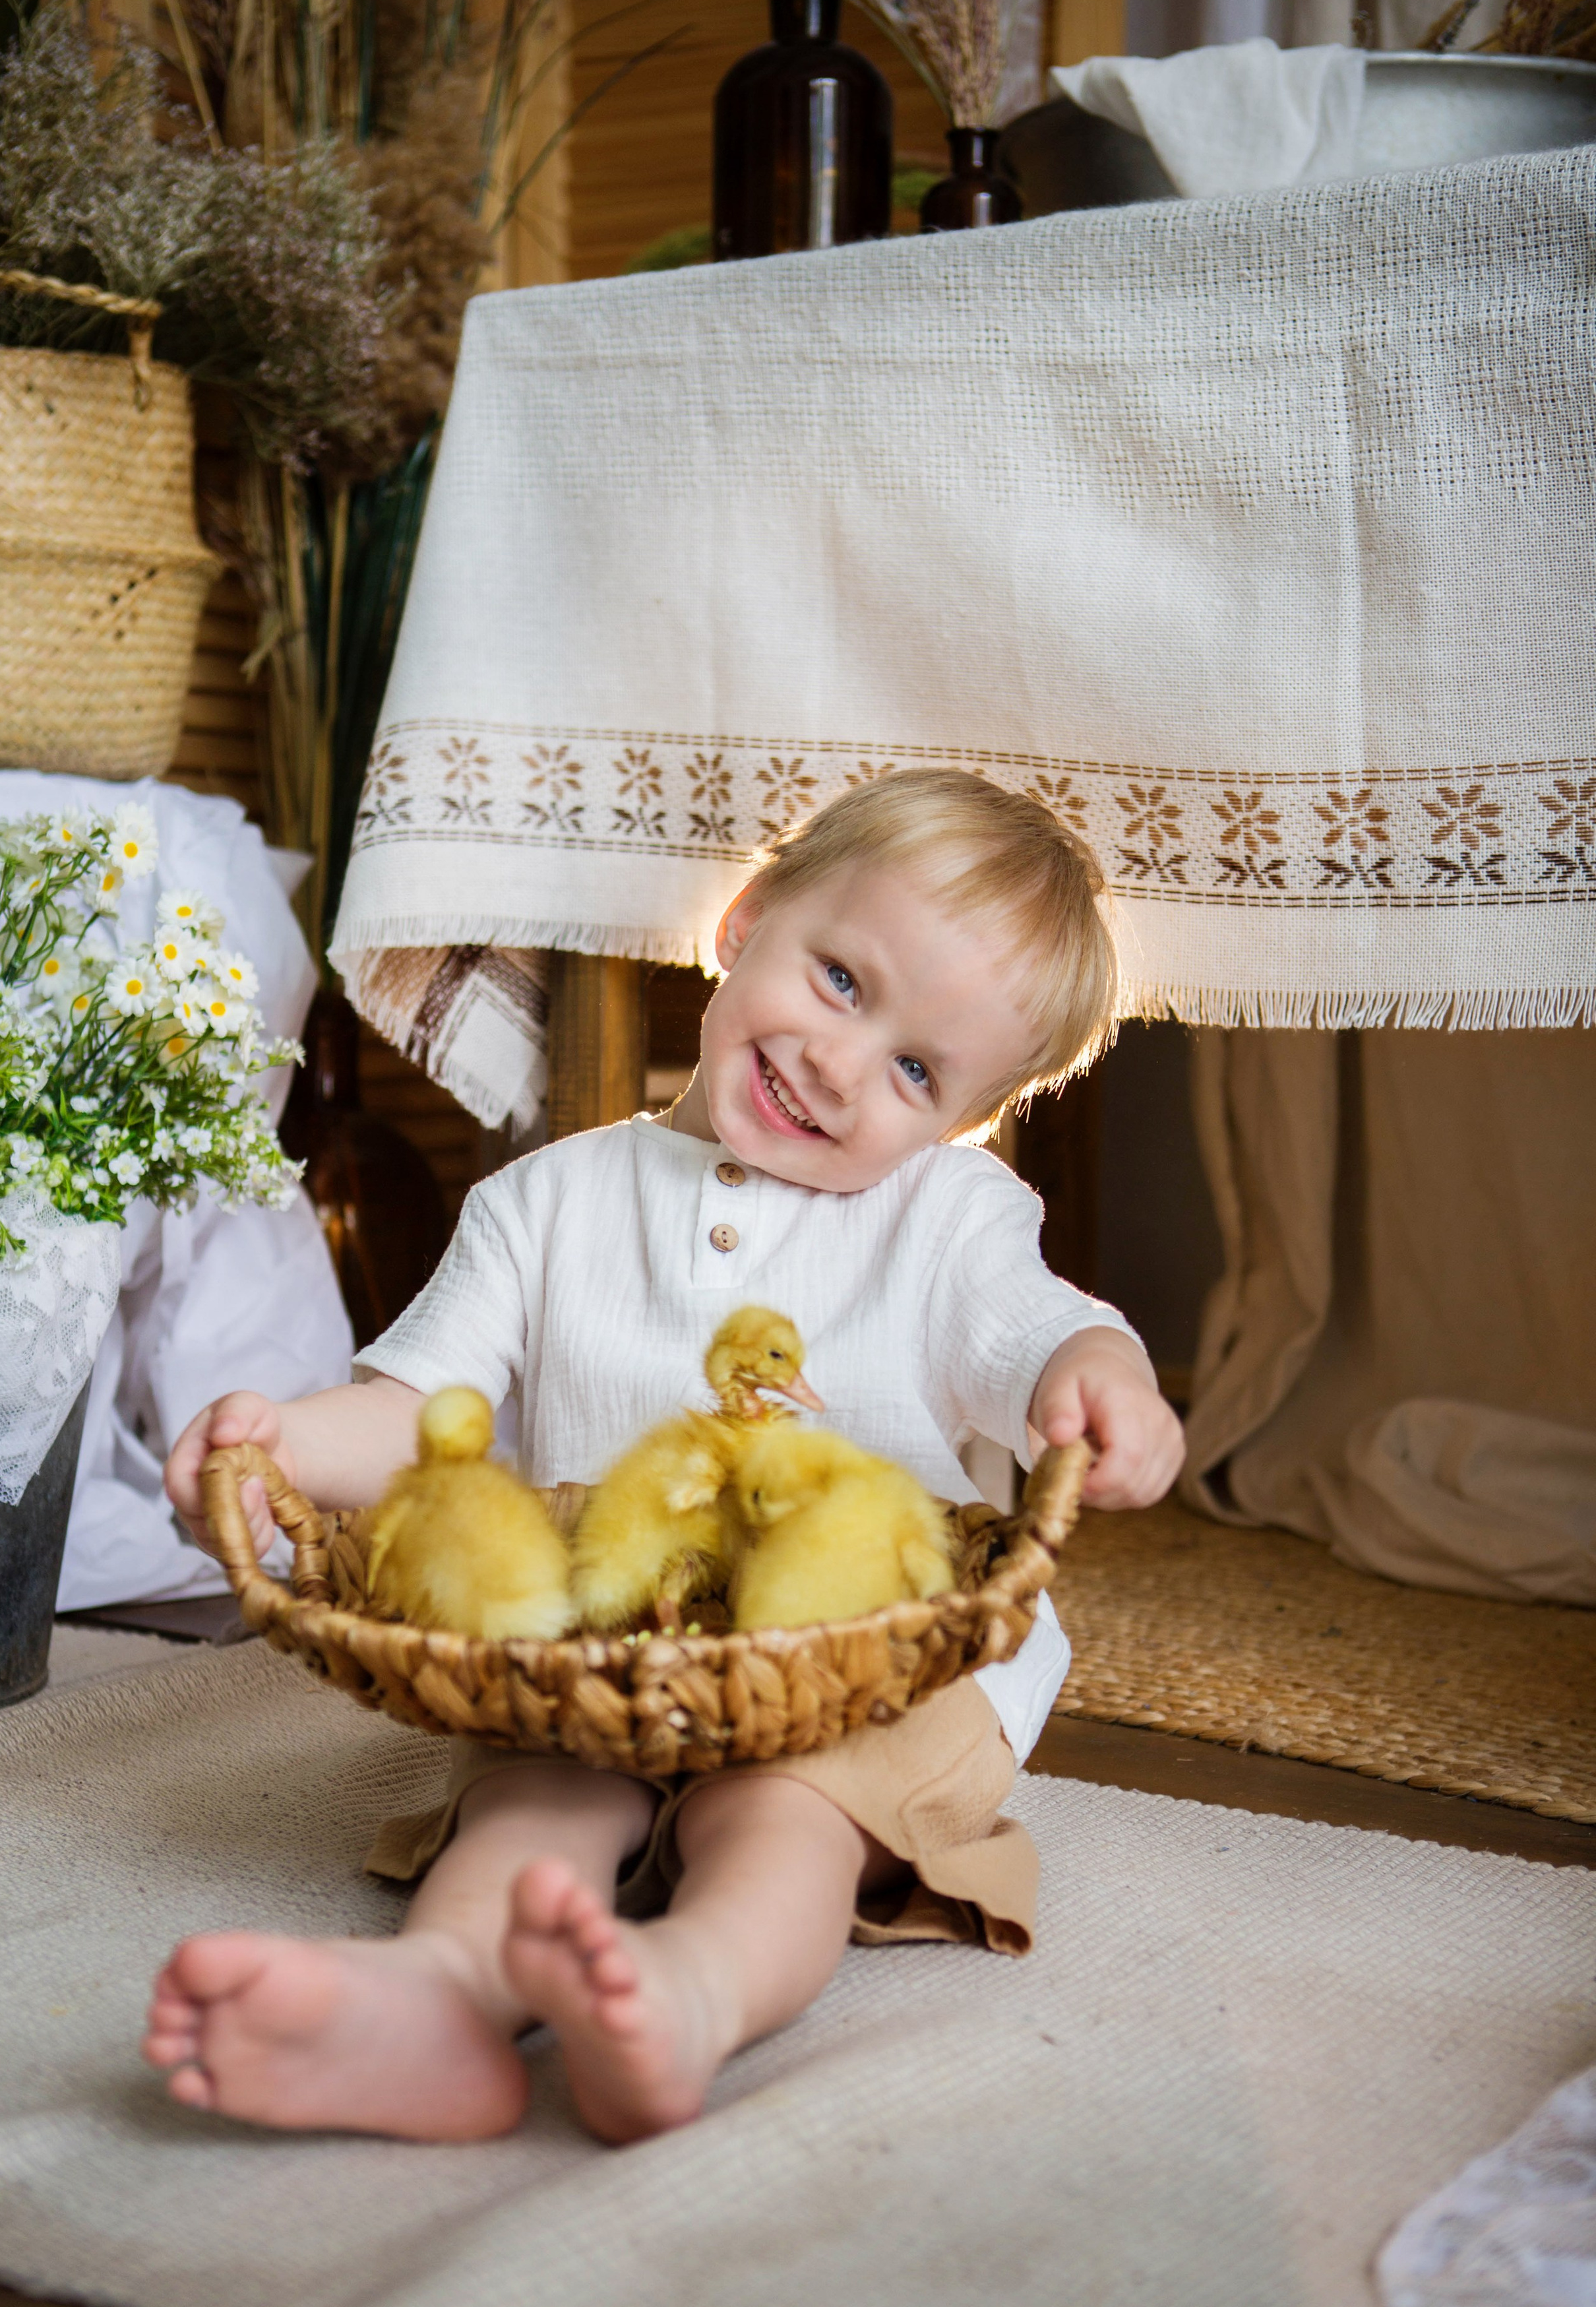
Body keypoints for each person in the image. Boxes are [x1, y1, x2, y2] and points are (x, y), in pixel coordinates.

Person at [146, 769, 1184, 2145]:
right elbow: (419, 1410)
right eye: (837, 980)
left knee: (782, 1819)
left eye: (917, 1072)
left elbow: (1031, 1332)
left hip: (877, 1655)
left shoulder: (947, 1217)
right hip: (612, 1650)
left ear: (963, 1122)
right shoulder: (544, 1200)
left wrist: (1096, 1379)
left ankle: (688, 1992)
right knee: (531, 1788)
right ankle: (436, 2000)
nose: (839, 1064)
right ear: (744, 920)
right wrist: (281, 1438)